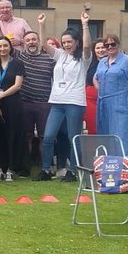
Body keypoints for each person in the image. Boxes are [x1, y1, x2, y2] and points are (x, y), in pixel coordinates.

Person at [37, 12, 91, 181]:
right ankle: (46, 170)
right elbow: (43, 45)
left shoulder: (83, 58)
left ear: (76, 42)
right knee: (48, 136)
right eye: (65, 42)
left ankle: (73, 171)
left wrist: (84, 24)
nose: (67, 45)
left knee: (72, 137)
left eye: (70, 42)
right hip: (57, 101)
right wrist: (42, 25)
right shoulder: (60, 55)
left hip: (75, 102)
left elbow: (88, 46)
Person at [13, 30, 55, 176]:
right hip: (25, 102)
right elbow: (0, 39)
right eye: (28, 40)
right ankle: (26, 168)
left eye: (34, 39)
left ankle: (46, 168)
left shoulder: (49, 59)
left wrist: (42, 26)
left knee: (45, 136)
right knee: (27, 136)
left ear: (39, 41)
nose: (31, 42)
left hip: (44, 103)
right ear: (24, 42)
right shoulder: (19, 57)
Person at [0, 36, 26, 182]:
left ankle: (10, 168)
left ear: (10, 47)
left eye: (5, 46)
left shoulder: (17, 63)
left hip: (13, 104)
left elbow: (17, 85)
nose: (2, 49)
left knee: (12, 136)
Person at [93, 34, 128, 153]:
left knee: (120, 137)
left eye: (112, 44)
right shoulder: (102, 62)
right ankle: (106, 167)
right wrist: (101, 89)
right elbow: (95, 78)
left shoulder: (127, 60)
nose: (109, 47)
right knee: (104, 136)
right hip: (103, 104)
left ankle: (122, 168)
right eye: (106, 45)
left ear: (118, 44)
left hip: (120, 103)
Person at [85, 39, 107, 134]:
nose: (100, 50)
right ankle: (92, 148)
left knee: (106, 125)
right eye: (98, 48)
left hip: (107, 97)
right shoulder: (89, 63)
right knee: (92, 126)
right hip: (90, 98)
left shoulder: (112, 63)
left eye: (103, 47)